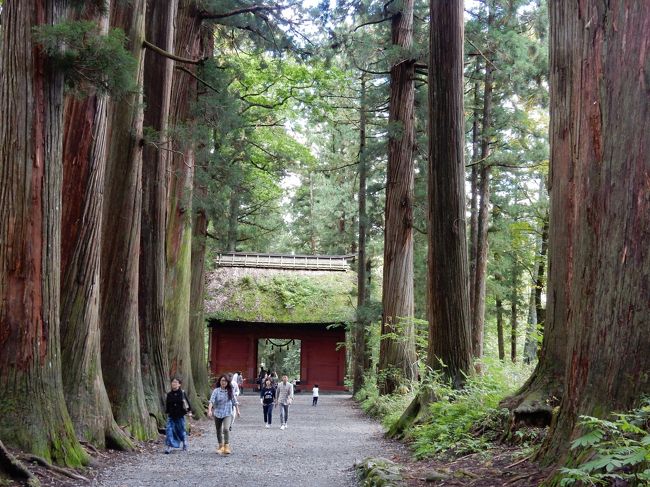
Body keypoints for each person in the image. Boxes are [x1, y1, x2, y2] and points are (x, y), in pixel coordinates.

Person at [208, 374, 241, 455]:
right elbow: (211, 401)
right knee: (218, 430)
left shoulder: (230, 390)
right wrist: (209, 410)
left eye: (225, 381)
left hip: (227, 413)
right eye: (222, 380)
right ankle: (220, 446)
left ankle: (226, 446)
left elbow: (234, 401)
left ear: (228, 382)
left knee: (226, 429)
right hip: (218, 413)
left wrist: (238, 410)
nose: (224, 382)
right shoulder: (216, 391)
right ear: (220, 381)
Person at [164, 377, 192, 454]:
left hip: (180, 415)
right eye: (173, 382)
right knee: (169, 430)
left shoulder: (182, 393)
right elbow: (167, 405)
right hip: (171, 415)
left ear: (179, 384)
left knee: (181, 430)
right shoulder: (169, 394)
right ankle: (169, 446)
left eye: (176, 382)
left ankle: (184, 442)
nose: (174, 383)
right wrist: (167, 412)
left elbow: (186, 403)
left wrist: (189, 412)